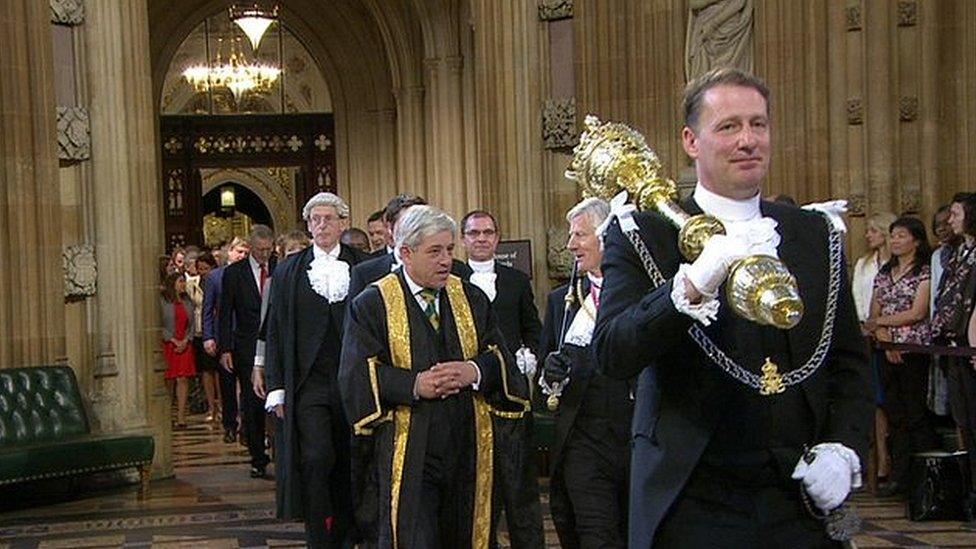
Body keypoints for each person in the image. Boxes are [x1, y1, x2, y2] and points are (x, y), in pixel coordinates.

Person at [593, 67, 871, 547]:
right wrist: (690, 287)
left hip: (798, 495)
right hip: (690, 495)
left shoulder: (814, 233)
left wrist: (843, 447)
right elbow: (613, 352)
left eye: (758, 124)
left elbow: (848, 361)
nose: (748, 140)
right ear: (691, 140)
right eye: (728, 127)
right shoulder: (644, 233)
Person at [339, 205, 530, 548]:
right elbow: (355, 376)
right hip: (409, 450)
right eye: (435, 251)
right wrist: (412, 384)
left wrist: (472, 371)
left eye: (449, 250)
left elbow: (502, 361)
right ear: (406, 253)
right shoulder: (373, 303)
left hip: (468, 445)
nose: (446, 260)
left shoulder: (471, 297)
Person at [258, 193, 369, 548]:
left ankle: (347, 533)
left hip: (354, 383)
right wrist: (276, 386)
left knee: (350, 460)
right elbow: (274, 329)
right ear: (308, 225)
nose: (321, 225)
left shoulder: (364, 267)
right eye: (315, 219)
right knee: (317, 458)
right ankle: (318, 538)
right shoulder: (289, 270)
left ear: (341, 223)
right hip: (309, 385)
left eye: (329, 218)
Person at [540, 197, 634, 548]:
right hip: (583, 440)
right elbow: (545, 385)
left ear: (607, 237)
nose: (570, 244)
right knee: (596, 535)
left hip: (634, 438)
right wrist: (550, 373)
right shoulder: (560, 300)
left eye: (580, 235)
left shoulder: (641, 294)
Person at [459, 209, 545, 549]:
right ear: (464, 239)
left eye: (488, 233)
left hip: (510, 397)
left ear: (497, 238)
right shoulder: (450, 277)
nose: (481, 239)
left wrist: (530, 356)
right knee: (477, 484)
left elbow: (533, 330)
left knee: (519, 483)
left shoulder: (516, 281)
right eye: (474, 233)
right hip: (467, 394)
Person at [865, 216, 938, 497]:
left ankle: (924, 478)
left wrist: (884, 325)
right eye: (893, 235)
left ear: (916, 240)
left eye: (901, 235)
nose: (895, 240)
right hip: (885, 348)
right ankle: (900, 475)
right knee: (894, 414)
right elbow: (874, 311)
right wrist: (884, 336)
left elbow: (917, 312)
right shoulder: (884, 272)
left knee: (915, 413)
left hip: (915, 349)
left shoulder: (924, 271)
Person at [219, 225, 276, 478]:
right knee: (252, 402)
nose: (265, 255)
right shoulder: (234, 273)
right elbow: (225, 312)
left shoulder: (280, 267)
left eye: (269, 249)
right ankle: (257, 457)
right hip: (245, 346)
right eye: (261, 250)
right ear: (251, 248)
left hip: (275, 344)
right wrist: (225, 348)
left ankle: (280, 452)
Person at [933, 192, 976, 518]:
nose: (951, 219)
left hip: (971, 344)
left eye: (956, 213)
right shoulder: (959, 253)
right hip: (955, 345)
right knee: (965, 422)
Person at [852, 211, 896, 485]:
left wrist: (883, 325)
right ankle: (877, 460)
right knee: (874, 400)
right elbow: (857, 295)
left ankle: (891, 459)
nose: (868, 235)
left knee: (891, 401)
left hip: (892, 333)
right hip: (867, 333)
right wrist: (867, 324)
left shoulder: (897, 264)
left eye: (873, 230)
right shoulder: (863, 264)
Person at [203, 236, 249, 442]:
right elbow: (208, 309)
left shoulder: (250, 274)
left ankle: (248, 425)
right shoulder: (214, 277)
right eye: (239, 251)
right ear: (229, 252)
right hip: (224, 337)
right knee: (227, 385)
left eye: (246, 253)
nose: (242, 256)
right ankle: (229, 425)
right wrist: (208, 336)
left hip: (246, 336)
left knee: (249, 385)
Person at [160, 271, 197, 428]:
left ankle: (181, 417)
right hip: (169, 343)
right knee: (168, 380)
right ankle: (166, 414)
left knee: (182, 379)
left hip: (184, 343)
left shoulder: (188, 302)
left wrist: (186, 340)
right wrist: (172, 339)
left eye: (183, 281)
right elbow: (158, 323)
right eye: (180, 281)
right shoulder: (163, 301)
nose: (183, 285)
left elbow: (192, 324)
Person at [190, 253, 221, 422]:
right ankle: (211, 407)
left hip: (216, 331)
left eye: (206, 269)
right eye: (200, 269)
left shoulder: (217, 280)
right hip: (200, 330)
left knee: (218, 371)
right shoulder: (193, 284)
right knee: (206, 371)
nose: (203, 272)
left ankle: (222, 405)